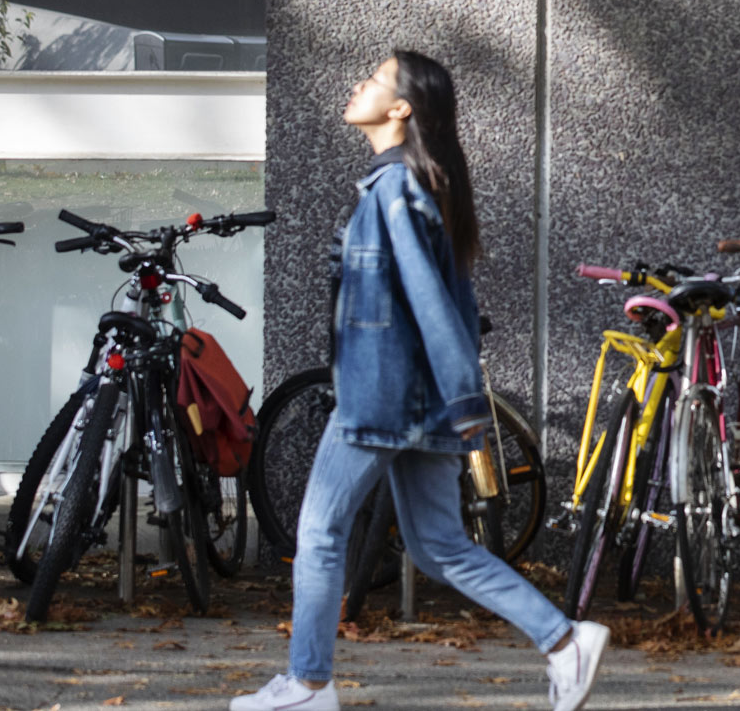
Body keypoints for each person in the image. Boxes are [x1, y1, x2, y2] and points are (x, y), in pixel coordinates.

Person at [232, 50, 608, 711]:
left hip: (383, 396)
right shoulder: (413, 185)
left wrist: (467, 404)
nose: (358, 84)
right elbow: (451, 298)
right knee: (439, 546)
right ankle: (563, 641)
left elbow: (433, 303)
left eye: (374, 79)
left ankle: (308, 683)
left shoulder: (398, 189)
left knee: (319, 532)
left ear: (401, 107)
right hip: (413, 397)